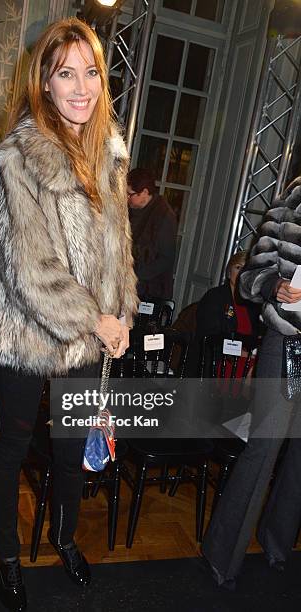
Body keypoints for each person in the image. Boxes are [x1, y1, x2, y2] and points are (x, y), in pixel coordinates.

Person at [0, 18, 138, 612]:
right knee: (12, 449)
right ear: (43, 82)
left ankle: (64, 539)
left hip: (86, 333)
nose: (81, 87)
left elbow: (118, 250)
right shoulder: (16, 157)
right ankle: (9, 562)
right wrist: (98, 319)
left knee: (70, 451)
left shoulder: (109, 156)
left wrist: (122, 312)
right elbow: (32, 270)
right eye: (65, 73)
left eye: (90, 72)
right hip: (22, 328)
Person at [201, 177, 301, 589]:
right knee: (264, 446)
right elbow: (247, 279)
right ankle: (222, 554)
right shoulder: (289, 204)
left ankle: (278, 543)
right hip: (287, 343)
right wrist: (273, 285)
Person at [127, 167, 177, 300]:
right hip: (134, 285)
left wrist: (135, 275)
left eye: (130, 194)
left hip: (150, 291)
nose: (127, 198)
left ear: (144, 192)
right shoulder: (131, 211)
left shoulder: (164, 216)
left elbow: (166, 259)